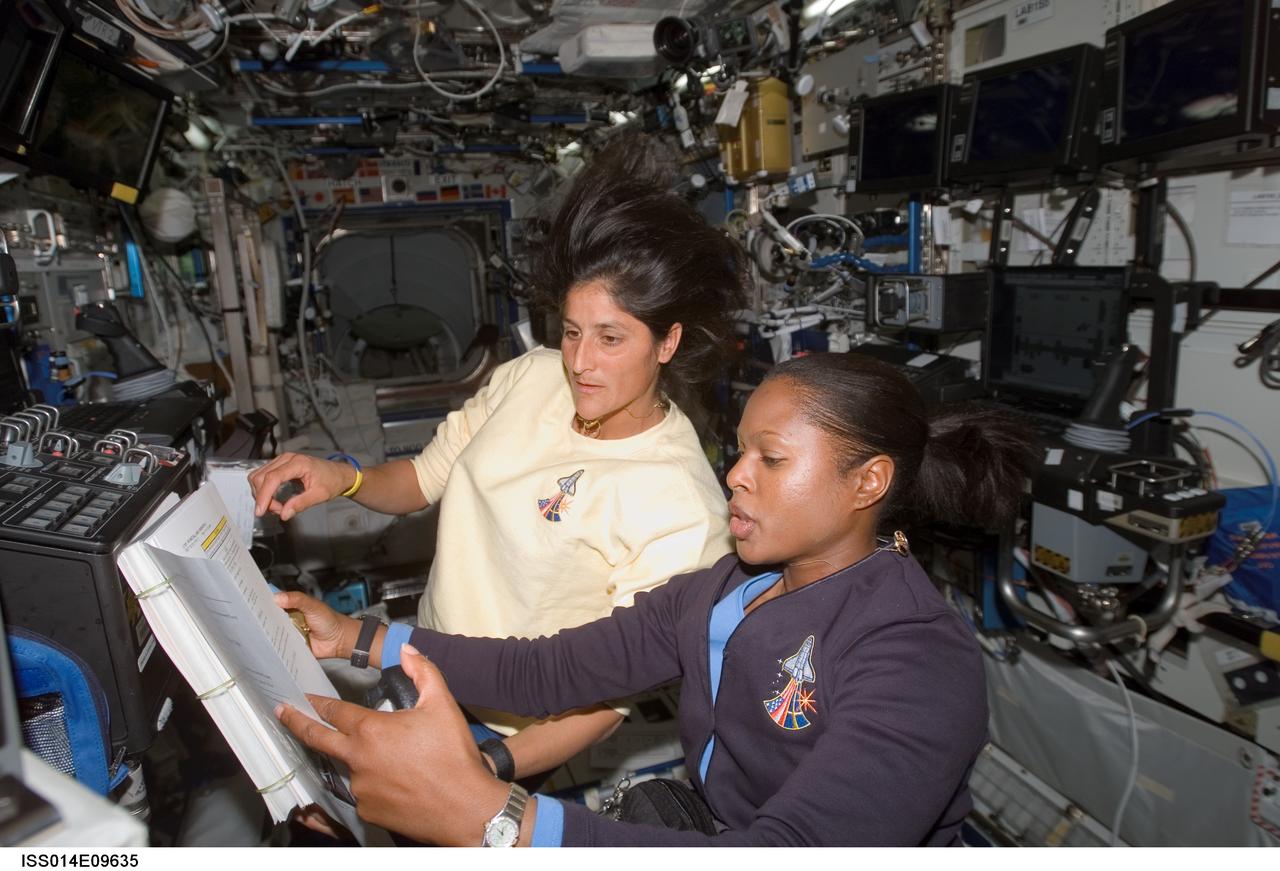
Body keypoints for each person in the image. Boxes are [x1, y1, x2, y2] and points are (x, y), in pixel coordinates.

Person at [275, 352, 1039, 846]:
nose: (736, 475)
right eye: (739, 450)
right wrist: (361, 639)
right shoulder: (722, 592)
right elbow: (550, 672)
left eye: (771, 459)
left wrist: (500, 817)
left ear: (867, 482)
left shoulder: (915, 657)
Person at [248, 133, 747, 778]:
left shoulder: (681, 505)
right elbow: (422, 480)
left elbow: (609, 696)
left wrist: (488, 768)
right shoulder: (531, 376)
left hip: (515, 727)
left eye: (611, 338)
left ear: (668, 342)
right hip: (414, 662)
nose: (581, 362)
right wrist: (341, 478)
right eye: (571, 332)